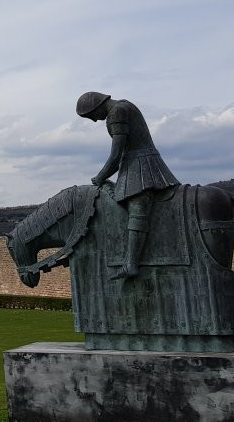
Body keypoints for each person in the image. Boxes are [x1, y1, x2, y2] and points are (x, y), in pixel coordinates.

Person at [76, 91, 180, 280]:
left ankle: (131, 263)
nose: (93, 120)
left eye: (91, 116)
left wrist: (100, 176)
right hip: (133, 162)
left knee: (137, 206)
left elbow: (116, 155)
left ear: (96, 106)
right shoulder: (121, 107)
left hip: (141, 164)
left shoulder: (117, 111)